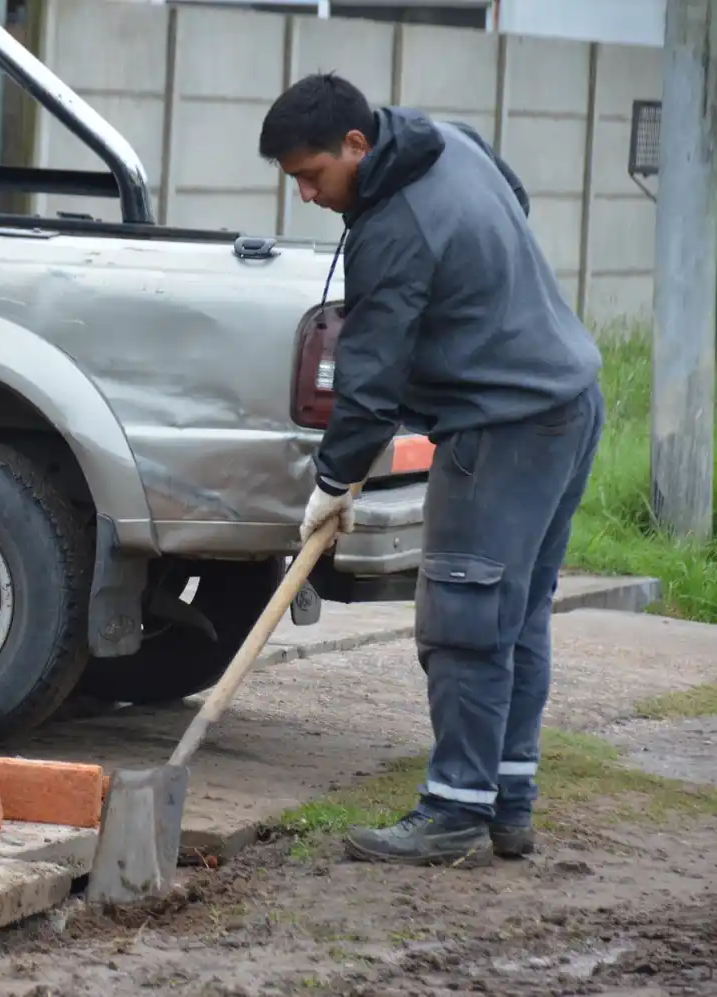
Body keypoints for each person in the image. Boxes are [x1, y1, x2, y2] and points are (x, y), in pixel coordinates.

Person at [258, 73, 604, 867]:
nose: (307, 196)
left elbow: (370, 379)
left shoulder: (392, 229)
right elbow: (514, 198)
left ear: (356, 145)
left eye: (313, 175)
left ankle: (453, 809)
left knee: (465, 615)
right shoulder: (445, 138)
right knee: (515, 616)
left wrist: (333, 481)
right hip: (569, 398)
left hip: (505, 421)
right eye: (294, 182)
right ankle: (506, 803)